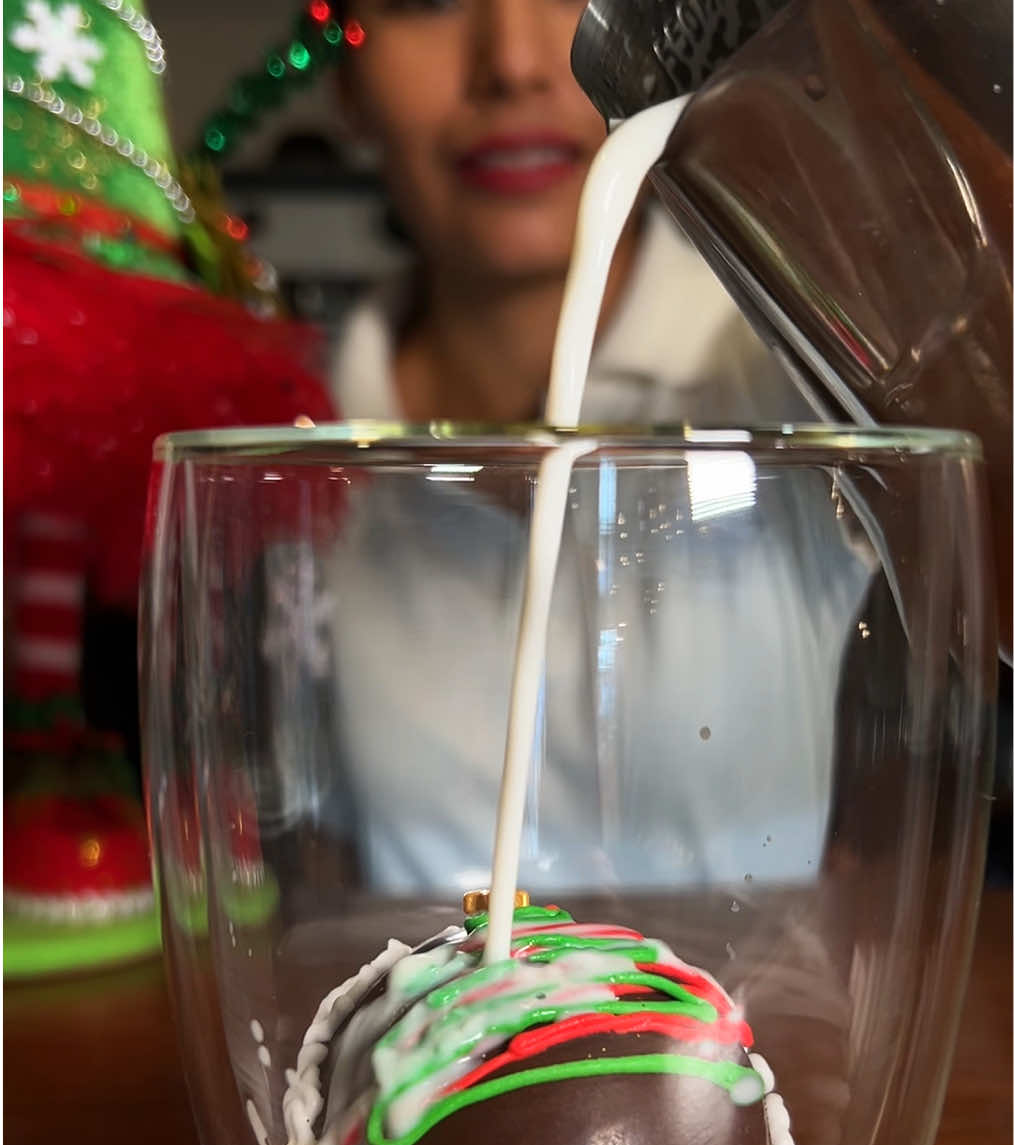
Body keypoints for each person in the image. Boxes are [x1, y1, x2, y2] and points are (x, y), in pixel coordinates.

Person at [265, 0, 876, 900]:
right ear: (346, 77)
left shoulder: (812, 361)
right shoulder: (293, 449)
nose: (513, 61)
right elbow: (301, 868)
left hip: (748, 1026)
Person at [330, 0, 812, 425]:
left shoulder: (820, 385)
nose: (513, 64)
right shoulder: (281, 415)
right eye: (430, 2)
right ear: (347, 82)